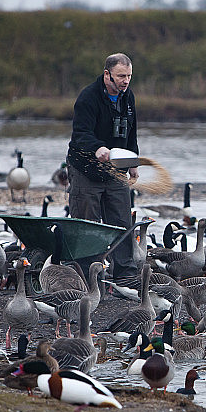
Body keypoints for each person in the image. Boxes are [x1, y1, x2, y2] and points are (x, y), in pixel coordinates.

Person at [66, 52, 139, 280]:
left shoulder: (128, 97)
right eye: (121, 76)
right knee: (88, 224)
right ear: (107, 74)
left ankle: (125, 276)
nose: (125, 81)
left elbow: (132, 131)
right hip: (86, 168)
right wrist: (97, 147)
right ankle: (89, 278)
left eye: (128, 76)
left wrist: (134, 160)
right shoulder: (88, 97)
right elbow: (80, 133)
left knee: (122, 222)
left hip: (116, 170)